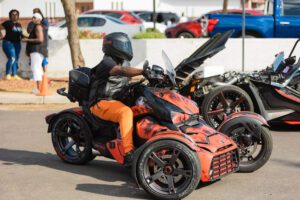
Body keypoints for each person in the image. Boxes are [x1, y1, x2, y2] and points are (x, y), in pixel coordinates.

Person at [89, 32, 144, 166]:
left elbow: (126, 77)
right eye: (124, 45)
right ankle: (128, 153)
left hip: (116, 100)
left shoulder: (124, 61)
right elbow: (121, 71)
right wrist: (142, 71)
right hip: (101, 102)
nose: (127, 47)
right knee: (125, 112)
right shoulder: (108, 62)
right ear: (116, 46)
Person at [22, 13, 47, 93]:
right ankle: (39, 88)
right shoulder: (37, 26)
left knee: (36, 68)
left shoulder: (38, 26)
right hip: (36, 51)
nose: (32, 19)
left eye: (34, 17)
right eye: (32, 17)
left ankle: (39, 88)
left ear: (38, 19)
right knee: (36, 68)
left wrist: (27, 40)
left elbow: (40, 39)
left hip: (37, 50)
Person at [0, 9, 23, 80]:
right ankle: (7, 74)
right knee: (12, 58)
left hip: (17, 44)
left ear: (18, 16)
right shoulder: (7, 23)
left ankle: (14, 74)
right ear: (10, 16)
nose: (15, 16)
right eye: (13, 14)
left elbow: (20, 34)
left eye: (16, 14)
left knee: (15, 59)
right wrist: (1, 36)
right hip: (8, 43)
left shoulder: (19, 24)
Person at [27, 8, 49, 73]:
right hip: (34, 44)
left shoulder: (44, 21)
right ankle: (34, 75)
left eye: (37, 12)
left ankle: (45, 75)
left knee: (43, 60)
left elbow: (45, 29)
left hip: (42, 44)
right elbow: (28, 31)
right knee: (33, 60)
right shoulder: (31, 23)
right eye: (34, 12)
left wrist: (37, 26)